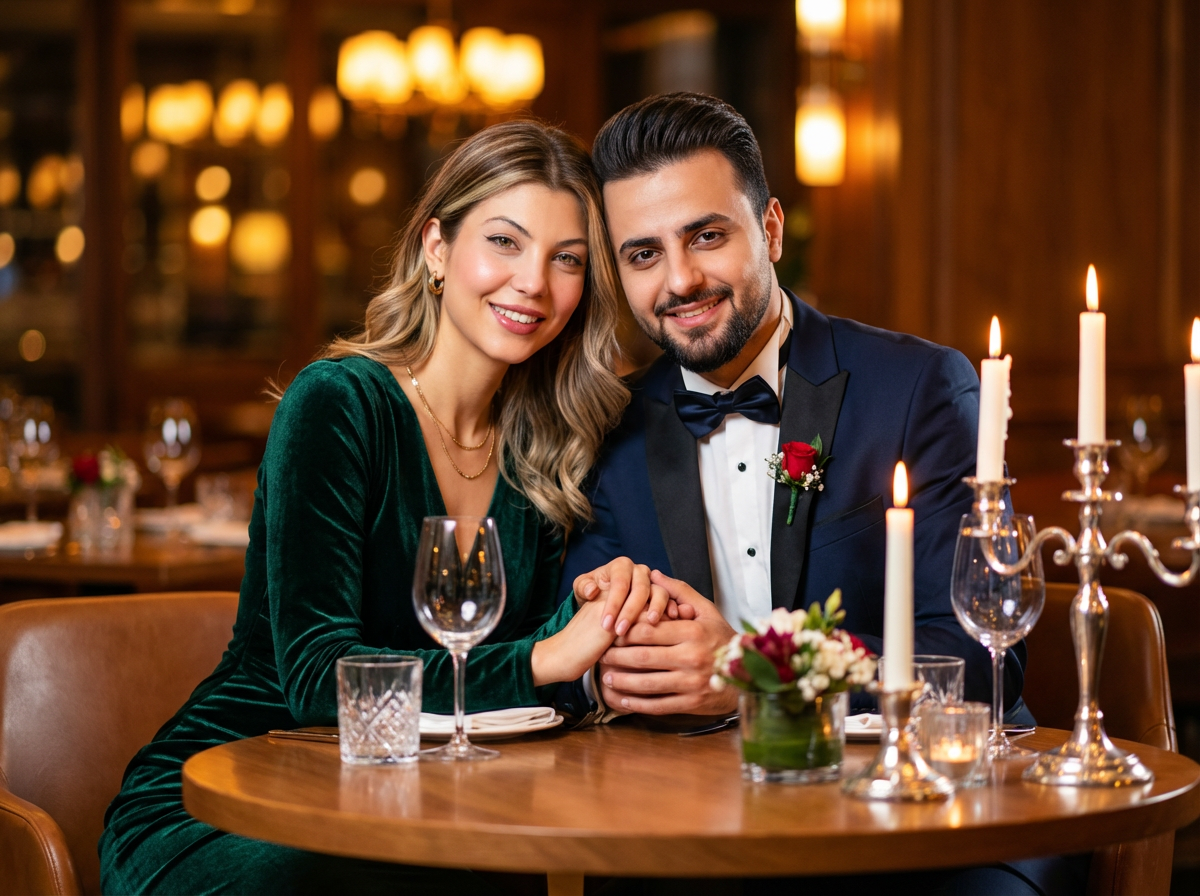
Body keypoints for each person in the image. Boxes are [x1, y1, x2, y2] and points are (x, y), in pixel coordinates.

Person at [99, 119, 676, 896]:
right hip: (238, 797)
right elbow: (315, 678)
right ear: (437, 249)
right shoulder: (337, 405)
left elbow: (529, 672)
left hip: (420, 803)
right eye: (504, 242)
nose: (534, 283)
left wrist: (603, 619)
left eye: (565, 259)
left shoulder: (550, 448)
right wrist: (545, 657)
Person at [562, 91, 1032, 725]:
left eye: (705, 236)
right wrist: (606, 667)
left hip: (903, 793)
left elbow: (980, 656)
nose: (679, 281)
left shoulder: (920, 389)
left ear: (771, 229)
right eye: (644, 254)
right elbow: (580, 652)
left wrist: (756, 672)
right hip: (687, 797)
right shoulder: (609, 426)